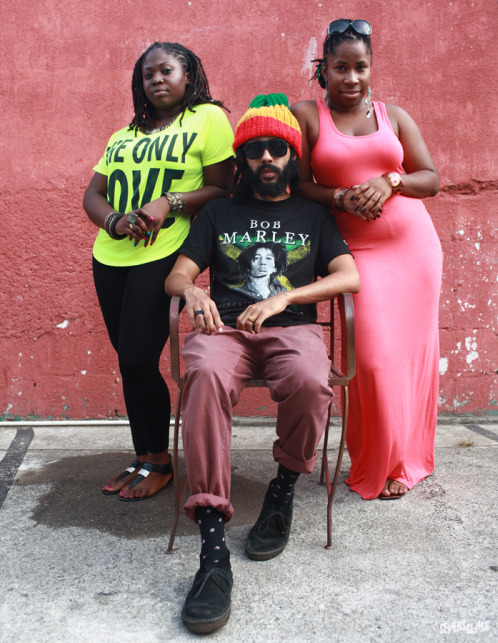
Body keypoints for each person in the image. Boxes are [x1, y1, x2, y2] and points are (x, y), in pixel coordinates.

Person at [164, 93, 360, 634]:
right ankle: (211, 548)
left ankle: (282, 488)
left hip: (291, 326)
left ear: (292, 156)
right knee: (203, 374)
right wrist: (194, 294)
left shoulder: (313, 214)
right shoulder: (220, 212)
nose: (267, 159)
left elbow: (349, 277)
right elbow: (177, 277)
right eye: (255, 151)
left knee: (308, 377)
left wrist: (282, 299)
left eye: (278, 148)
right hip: (224, 329)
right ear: (242, 159)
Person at [291, 19, 443, 500]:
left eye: (361, 67)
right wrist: (338, 196)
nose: (351, 78)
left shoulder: (392, 115)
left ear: (370, 68)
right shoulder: (308, 115)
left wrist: (391, 180)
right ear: (324, 70)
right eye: (341, 67)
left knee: (410, 357)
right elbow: (296, 185)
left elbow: (430, 178)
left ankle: (404, 461)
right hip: (358, 254)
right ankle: (374, 460)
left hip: (414, 249)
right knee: (372, 360)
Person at [83, 42, 234, 501]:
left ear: (188, 76)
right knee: (131, 364)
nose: (156, 80)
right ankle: (143, 454)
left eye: (167, 70)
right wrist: (114, 219)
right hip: (111, 256)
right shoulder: (124, 135)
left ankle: (161, 463)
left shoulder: (207, 118)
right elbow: (93, 195)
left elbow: (223, 188)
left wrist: (169, 202)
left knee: (136, 358)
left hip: (163, 251)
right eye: (148, 74)